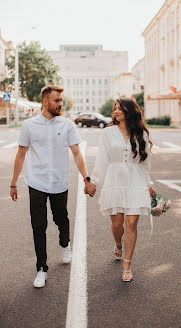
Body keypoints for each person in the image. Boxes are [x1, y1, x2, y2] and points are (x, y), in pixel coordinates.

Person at [10, 85, 96, 288]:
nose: (60, 103)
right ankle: (41, 268)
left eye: (61, 100)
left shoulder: (67, 125)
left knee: (60, 218)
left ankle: (65, 243)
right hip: (36, 182)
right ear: (45, 101)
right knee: (38, 226)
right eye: (57, 100)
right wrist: (13, 184)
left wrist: (87, 179)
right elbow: (21, 154)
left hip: (59, 182)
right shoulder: (29, 125)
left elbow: (76, 153)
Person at [86, 98, 156, 282]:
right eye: (115, 108)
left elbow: (146, 162)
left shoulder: (141, 133)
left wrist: (149, 186)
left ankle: (127, 264)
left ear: (129, 111)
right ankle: (118, 243)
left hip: (136, 181)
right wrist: (94, 181)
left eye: (120, 108)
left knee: (131, 224)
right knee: (118, 225)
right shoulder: (108, 132)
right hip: (114, 180)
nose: (116, 111)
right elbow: (102, 158)